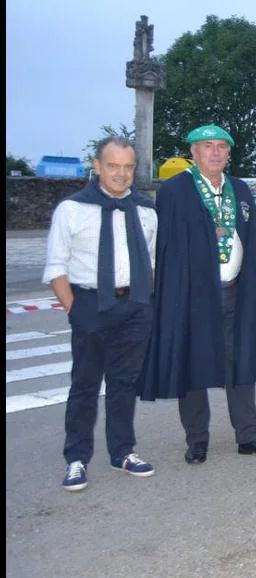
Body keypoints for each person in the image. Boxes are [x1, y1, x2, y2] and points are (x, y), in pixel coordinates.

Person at [140, 124, 256, 463]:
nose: (216, 152)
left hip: (238, 290)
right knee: (192, 367)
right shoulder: (176, 191)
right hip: (194, 297)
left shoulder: (239, 189)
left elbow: (251, 240)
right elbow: (169, 250)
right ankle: (197, 439)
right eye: (208, 146)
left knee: (242, 364)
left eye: (222, 146)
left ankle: (248, 434)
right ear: (193, 152)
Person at [45, 137, 157, 491]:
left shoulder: (146, 210)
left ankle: (122, 451)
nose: (121, 174)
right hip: (90, 304)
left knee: (124, 383)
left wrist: (145, 304)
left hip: (135, 305)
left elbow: (151, 261)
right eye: (113, 166)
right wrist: (75, 310)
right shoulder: (72, 209)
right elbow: (56, 267)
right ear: (97, 165)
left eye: (127, 167)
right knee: (85, 385)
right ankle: (76, 458)